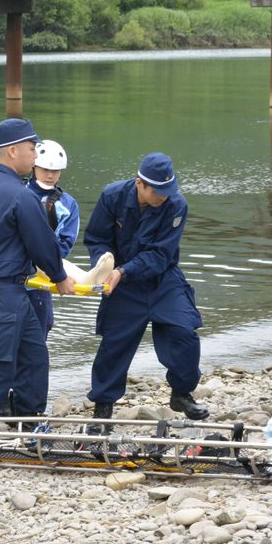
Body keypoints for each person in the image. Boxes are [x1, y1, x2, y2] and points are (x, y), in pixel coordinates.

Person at [0, 118, 76, 423]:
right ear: (12, 151)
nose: (36, 155)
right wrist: (60, 278)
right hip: (1, 293)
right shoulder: (22, 196)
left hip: (6, 290)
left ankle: (28, 419)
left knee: (34, 357)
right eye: (32, 148)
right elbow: (43, 245)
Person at [84, 152, 209, 427]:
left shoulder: (176, 205)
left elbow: (161, 254)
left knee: (184, 331)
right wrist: (104, 265)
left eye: (168, 189)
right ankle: (102, 408)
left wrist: (123, 271)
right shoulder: (112, 196)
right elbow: (96, 238)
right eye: (158, 190)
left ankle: (181, 393)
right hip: (122, 285)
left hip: (163, 279)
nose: (163, 196)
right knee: (114, 345)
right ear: (139, 183)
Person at [26, 139, 80, 338]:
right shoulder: (17, 193)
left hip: (43, 276)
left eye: (55, 171)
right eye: (45, 170)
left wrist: (46, 262)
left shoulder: (68, 205)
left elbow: (66, 241)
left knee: (38, 336)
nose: (50, 175)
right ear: (33, 166)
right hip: (13, 276)